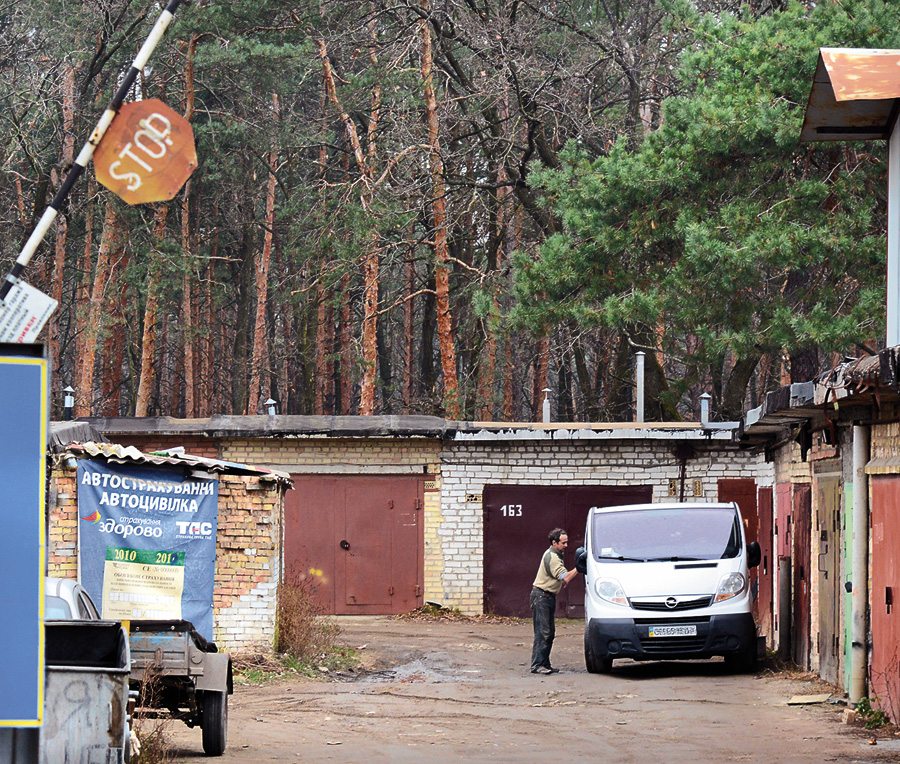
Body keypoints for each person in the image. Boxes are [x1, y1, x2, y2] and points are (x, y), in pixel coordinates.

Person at [530, 527, 578, 674]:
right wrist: (579, 567)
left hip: (547, 597)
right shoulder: (552, 557)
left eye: (567, 542)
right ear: (554, 542)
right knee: (543, 632)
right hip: (541, 597)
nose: (566, 546)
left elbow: (559, 578)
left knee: (549, 632)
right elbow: (566, 577)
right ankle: (537, 665)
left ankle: (545, 663)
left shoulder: (557, 555)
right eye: (563, 543)